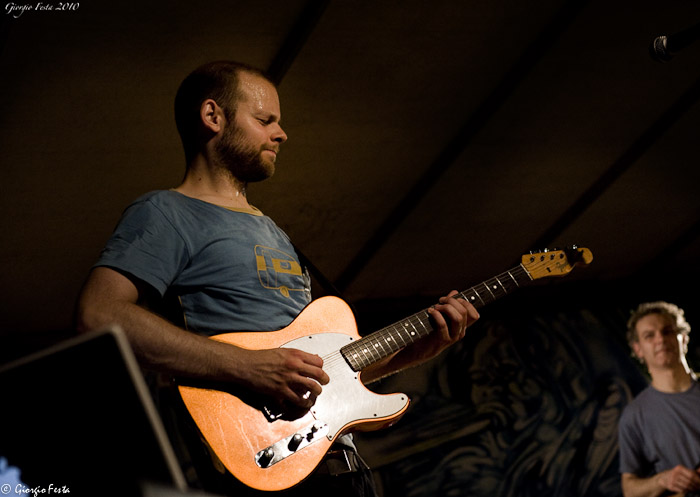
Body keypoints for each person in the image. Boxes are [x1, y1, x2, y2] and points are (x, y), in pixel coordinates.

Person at [75, 61, 479, 497]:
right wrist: (249, 366)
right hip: (262, 463)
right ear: (213, 117)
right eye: (265, 120)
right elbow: (99, 315)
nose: (281, 134)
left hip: (338, 466)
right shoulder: (165, 212)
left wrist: (416, 351)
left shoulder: (273, 231)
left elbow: (321, 369)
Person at [618, 301, 700, 497]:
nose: (660, 339)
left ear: (684, 338)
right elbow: (629, 489)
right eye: (649, 335)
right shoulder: (633, 415)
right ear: (638, 349)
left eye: (668, 331)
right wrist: (662, 479)